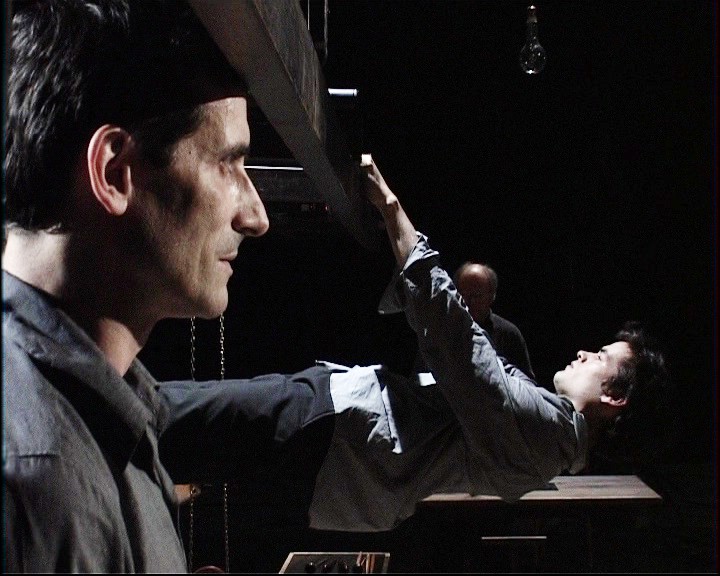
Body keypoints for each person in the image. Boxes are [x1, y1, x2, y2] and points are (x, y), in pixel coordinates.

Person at [157, 159, 674, 534]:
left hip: (336, 439)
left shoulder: (547, 434)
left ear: (614, 396)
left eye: (601, 357)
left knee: (163, 418)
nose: (584, 353)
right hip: (337, 436)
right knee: (174, 432)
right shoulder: (547, 430)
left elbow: (463, 351)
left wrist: (391, 209)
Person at [3, 0, 271, 572]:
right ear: (114, 173)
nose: (255, 216)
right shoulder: (37, 484)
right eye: (228, 164)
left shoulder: (99, 421)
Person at [413, 260, 535, 379]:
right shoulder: (438, 331)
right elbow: (420, 376)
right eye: (462, 294)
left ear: (491, 296)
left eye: (475, 296)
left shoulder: (508, 334)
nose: (467, 302)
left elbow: (527, 384)